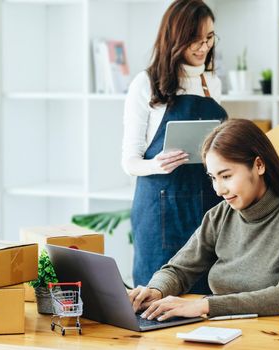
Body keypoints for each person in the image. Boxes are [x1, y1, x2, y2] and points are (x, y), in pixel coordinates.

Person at [128, 119, 279, 320]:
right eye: (213, 178)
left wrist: (205, 305)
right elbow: (179, 270)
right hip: (221, 333)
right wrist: (155, 290)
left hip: (277, 336)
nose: (218, 189)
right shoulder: (220, 215)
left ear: (258, 165)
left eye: (226, 176)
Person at [122, 0, 227, 293]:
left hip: (207, 206)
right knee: (153, 299)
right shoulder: (145, 84)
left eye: (209, 38)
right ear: (175, 38)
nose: (204, 47)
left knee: (205, 300)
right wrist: (158, 163)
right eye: (196, 40)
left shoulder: (212, 83)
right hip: (160, 210)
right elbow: (129, 162)